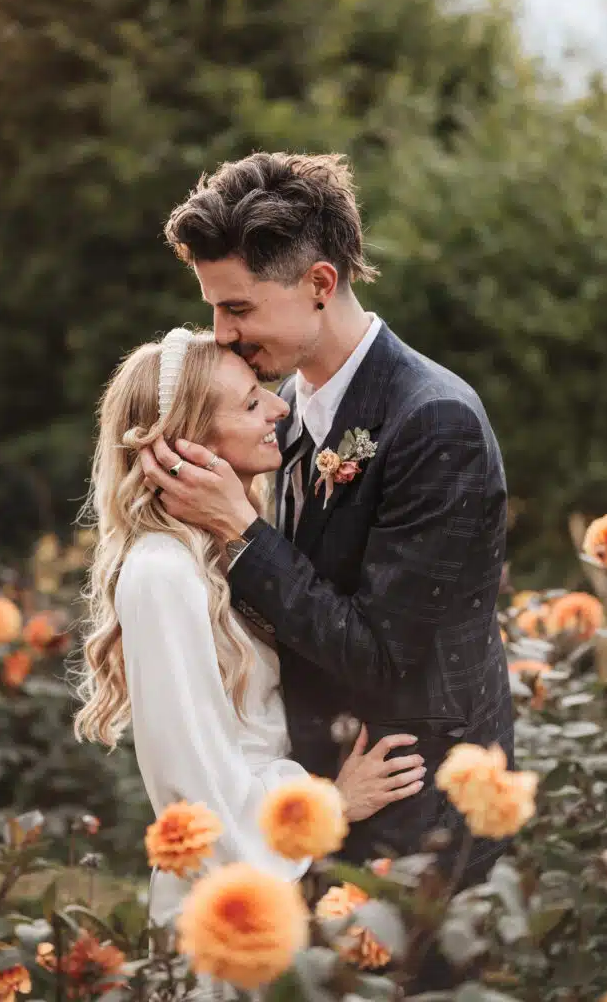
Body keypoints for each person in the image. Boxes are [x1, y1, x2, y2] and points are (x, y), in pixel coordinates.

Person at [141, 152, 514, 890]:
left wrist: (240, 535)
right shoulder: (281, 413)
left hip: (417, 815)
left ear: (319, 284)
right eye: (214, 307)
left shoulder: (431, 421)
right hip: (324, 798)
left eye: (238, 308)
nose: (219, 334)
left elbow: (382, 655)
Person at [74, 328, 425, 927]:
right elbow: (191, 783)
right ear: (185, 444)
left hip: (278, 880)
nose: (280, 406)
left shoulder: (223, 552)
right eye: (249, 402)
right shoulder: (163, 571)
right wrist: (333, 804)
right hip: (227, 902)